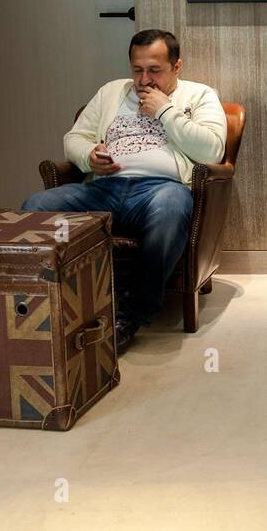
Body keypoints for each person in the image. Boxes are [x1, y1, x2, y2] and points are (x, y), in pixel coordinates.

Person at [22, 29, 226, 354]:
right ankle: (45, 306)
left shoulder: (199, 95)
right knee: (37, 206)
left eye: (154, 70)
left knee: (171, 208)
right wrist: (89, 157)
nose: (144, 79)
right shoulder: (111, 93)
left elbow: (212, 150)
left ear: (177, 67)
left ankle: (131, 316)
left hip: (161, 189)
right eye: (137, 69)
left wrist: (165, 111)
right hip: (105, 188)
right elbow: (74, 137)